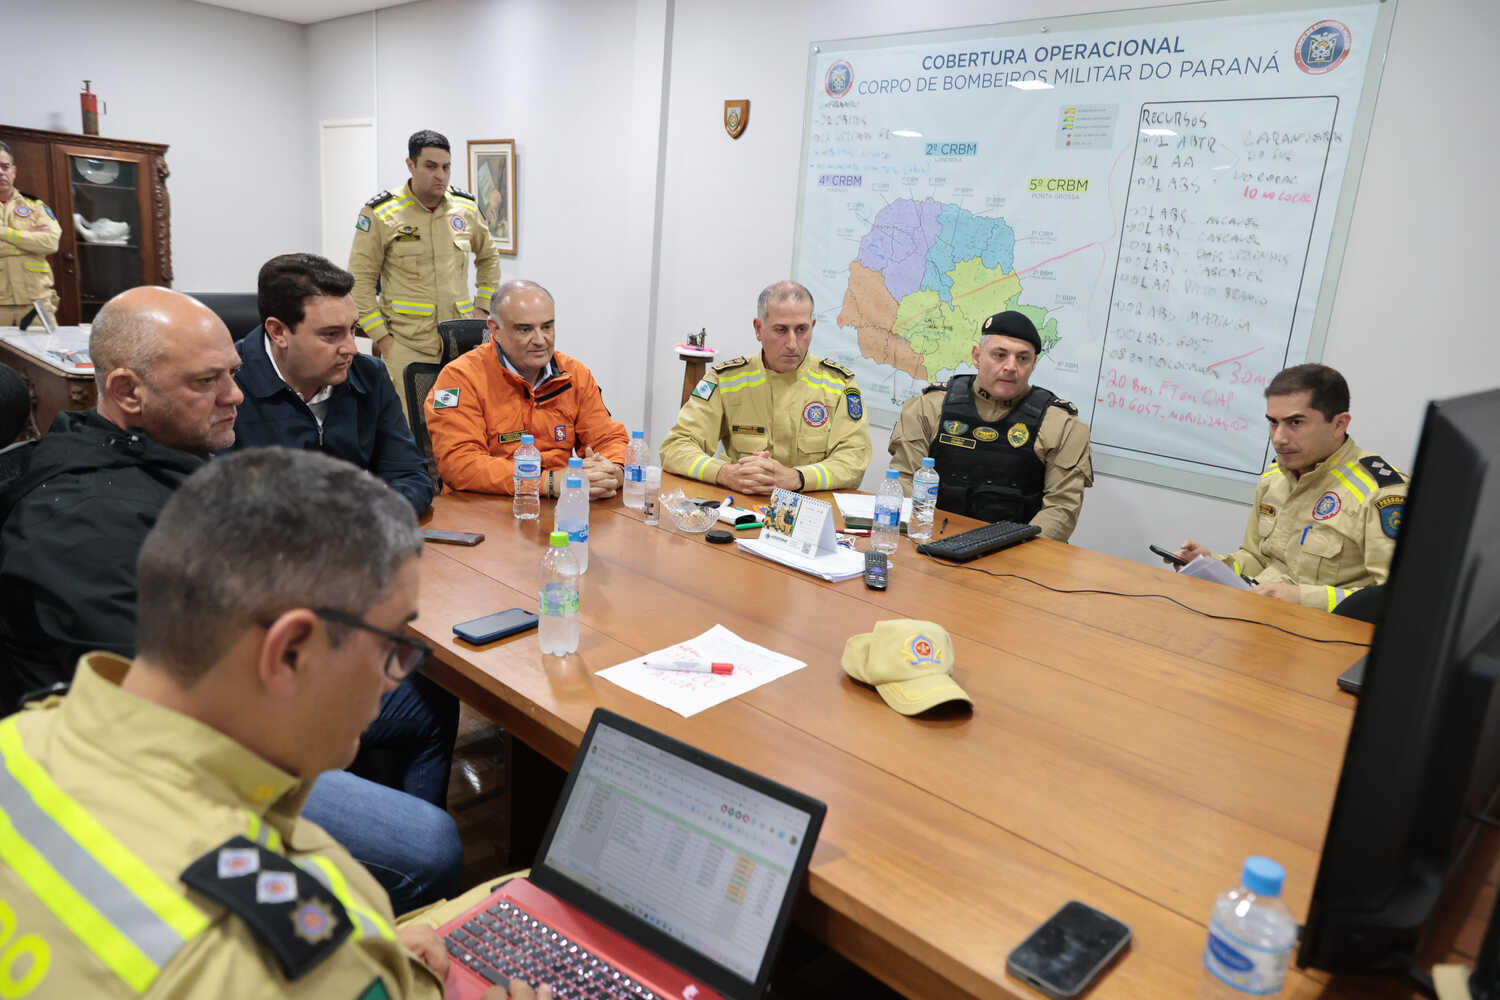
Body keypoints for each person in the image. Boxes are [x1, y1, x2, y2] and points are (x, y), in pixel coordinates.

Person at [0, 448, 545, 999]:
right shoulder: (294, 956)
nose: (392, 678)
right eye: (390, 646)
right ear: (290, 652)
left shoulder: (19, 738)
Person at [0, 286, 461, 913]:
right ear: (128, 392)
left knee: (428, 692)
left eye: (234, 375)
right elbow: (158, 719)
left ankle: (371, 880)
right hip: (173, 768)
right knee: (430, 843)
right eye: (208, 381)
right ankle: (368, 905)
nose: (235, 397)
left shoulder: (162, 459)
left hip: (244, 695)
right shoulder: (80, 525)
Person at [1171, 363, 1408, 612]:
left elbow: (1398, 599)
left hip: (1327, 639)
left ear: (1339, 424)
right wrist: (1212, 566)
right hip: (1261, 621)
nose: (1278, 438)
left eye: (1295, 423)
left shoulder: (1381, 493)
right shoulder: (1274, 478)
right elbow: (1257, 558)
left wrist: (1303, 597)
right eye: (1273, 422)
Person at [229, 252, 434, 515]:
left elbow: (410, 475)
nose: (351, 348)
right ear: (278, 332)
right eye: (331, 334)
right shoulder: (225, 387)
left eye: (352, 329)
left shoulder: (369, 375)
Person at [887, 310, 1093, 541]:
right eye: (999, 355)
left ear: (1033, 363)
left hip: (1017, 554)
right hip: (930, 540)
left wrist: (1020, 554)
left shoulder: (1062, 425)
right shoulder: (928, 408)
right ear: (977, 356)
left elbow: (1061, 509)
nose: (1011, 367)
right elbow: (905, 481)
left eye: (1023, 358)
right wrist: (926, 537)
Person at [660, 280, 872, 493]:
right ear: (758, 329)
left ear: (813, 327)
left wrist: (797, 478)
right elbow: (675, 447)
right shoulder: (725, 380)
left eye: (801, 330)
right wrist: (724, 473)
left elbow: (853, 460)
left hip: (811, 510)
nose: (792, 343)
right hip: (742, 508)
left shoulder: (839, 384)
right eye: (781, 330)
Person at [425, 280, 627, 499]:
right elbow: (460, 465)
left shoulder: (574, 374)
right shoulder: (459, 378)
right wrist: (545, 482)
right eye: (525, 330)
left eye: (547, 327)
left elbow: (608, 439)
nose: (540, 340)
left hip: (556, 508)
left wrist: (613, 471)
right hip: (484, 510)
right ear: (495, 329)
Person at [349, 129, 501, 417]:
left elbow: (489, 258)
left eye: (446, 167)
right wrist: (383, 339)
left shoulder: (464, 208)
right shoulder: (381, 213)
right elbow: (360, 283)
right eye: (430, 166)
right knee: (411, 432)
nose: (440, 175)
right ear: (411, 165)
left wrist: (482, 308)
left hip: (460, 345)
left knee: (456, 425)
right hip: (407, 346)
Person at [0, 140, 62, 326]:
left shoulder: (35, 205)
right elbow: (39, 243)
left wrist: (4, 233)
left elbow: (50, 242)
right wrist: (29, 241)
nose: (1, 172)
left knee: (41, 354)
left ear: (14, 171)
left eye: (5, 166)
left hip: (37, 303)